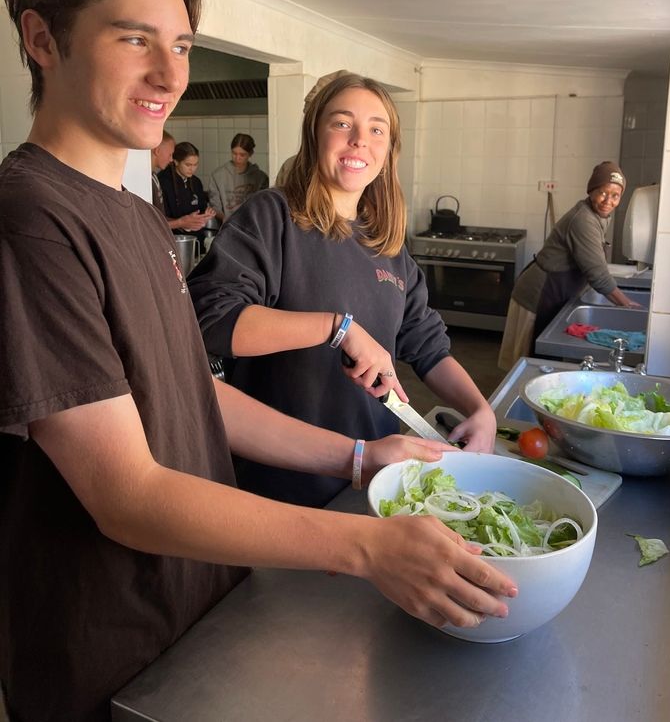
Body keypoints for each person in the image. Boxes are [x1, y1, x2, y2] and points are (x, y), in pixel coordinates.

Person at [0, 0, 516, 722]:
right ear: (42, 39)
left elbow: (192, 393)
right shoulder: (32, 215)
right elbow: (125, 493)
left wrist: (359, 459)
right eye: (135, 39)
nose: (170, 72)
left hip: (202, 602)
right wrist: (366, 544)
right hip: (111, 644)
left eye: (182, 44)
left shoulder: (133, 218)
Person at [189, 72, 499, 508]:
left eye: (377, 130)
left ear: (389, 151)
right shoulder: (272, 217)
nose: (359, 140)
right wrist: (339, 328)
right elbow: (211, 321)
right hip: (281, 484)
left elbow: (427, 345)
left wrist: (480, 410)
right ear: (315, 134)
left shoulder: (387, 245)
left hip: (376, 475)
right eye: (342, 123)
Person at [498, 161, 643, 370]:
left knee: (538, 362)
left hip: (554, 290)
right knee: (529, 363)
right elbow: (598, 275)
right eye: (602, 193)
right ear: (591, 191)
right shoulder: (583, 220)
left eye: (615, 195)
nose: (608, 201)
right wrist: (627, 305)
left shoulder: (598, 216)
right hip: (540, 294)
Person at [158, 140, 216, 248]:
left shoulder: (196, 182)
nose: (192, 169)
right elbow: (160, 218)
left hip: (196, 240)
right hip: (174, 241)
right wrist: (183, 223)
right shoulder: (163, 181)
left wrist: (206, 214)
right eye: (188, 165)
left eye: (195, 165)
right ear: (175, 161)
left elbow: (201, 208)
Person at [207, 132, 268, 222]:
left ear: (250, 154)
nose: (237, 158)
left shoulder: (260, 178)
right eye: (234, 153)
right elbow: (215, 206)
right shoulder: (218, 175)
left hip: (252, 226)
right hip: (226, 226)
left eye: (242, 155)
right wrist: (226, 220)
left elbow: (262, 207)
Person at [150, 129, 175, 212]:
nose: (171, 159)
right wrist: (181, 222)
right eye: (170, 154)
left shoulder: (154, 176)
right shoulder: (145, 179)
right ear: (157, 151)